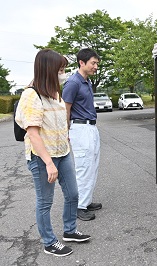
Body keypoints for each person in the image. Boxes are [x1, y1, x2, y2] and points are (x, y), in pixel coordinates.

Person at [15, 49, 90, 257]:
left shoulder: (55, 92)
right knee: (45, 202)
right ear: (48, 70)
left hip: (62, 151)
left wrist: (65, 136)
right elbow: (33, 133)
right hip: (42, 157)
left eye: (64, 69)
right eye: (60, 69)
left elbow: (59, 120)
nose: (63, 73)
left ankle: (69, 230)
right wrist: (49, 163)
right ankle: (49, 242)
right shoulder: (31, 95)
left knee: (73, 193)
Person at [62, 48, 102, 221]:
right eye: (93, 63)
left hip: (91, 128)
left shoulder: (86, 82)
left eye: (97, 64)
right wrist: (66, 132)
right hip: (79, 129)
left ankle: (85, 201)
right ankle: (78, 206)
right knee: (83, 168)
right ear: (81, 62)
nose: (96, 67)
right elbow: (66, 109)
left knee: (92, 166)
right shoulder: (73, 82)